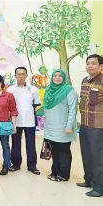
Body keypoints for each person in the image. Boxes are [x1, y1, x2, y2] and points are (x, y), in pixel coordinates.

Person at [44, 69, 78, 182]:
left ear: (64, 78)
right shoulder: (48, 89)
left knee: (64, 151)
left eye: (60, 76)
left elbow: (73, 110)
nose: (57, 78)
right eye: (55, 75)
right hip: (50, 127)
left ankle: (63, 174)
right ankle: (55, 171)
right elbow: (46, 107)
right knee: (54, 150)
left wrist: (69, 126)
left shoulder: (69, 90)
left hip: (64, 127)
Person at [77, 54, 103, 197]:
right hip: (85, 123)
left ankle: (99, 187)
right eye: (88, 63)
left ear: (101, 66)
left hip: (98, 126)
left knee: (98, 157)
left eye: (93, 63)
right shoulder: (84, 80)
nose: (89, 66)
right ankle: (89, 180)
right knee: (86, 154)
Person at [7, 67, 41, 175]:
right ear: (15, 76)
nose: (21, 76)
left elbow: (35, 105)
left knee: (31, 144)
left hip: (29, 121)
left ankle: (32, 166)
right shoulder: (10, 90)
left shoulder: (33, 89)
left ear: (26, 75)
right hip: (15, 121)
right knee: (15, 144)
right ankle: (16, 164)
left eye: (23, 74)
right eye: (18, 74)